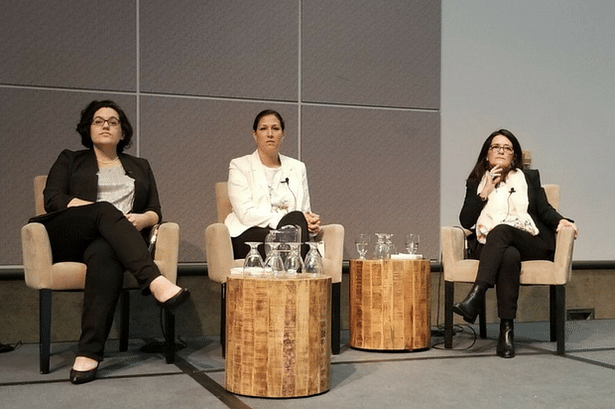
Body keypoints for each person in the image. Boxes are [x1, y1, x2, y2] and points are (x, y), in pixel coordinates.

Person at [31, 100, 190, 384]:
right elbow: (52, 199)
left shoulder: (140, 166)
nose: (106, 125)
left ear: (123, 132)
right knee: (105, 210)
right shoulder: (70, 159)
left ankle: (89, 353)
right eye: (98, 120)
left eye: (113, 121)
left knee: (105, 253)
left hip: (114, 241)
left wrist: (142, 220)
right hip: (71, 234)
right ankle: (154, 281)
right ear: (88, 129)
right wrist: (96, 212)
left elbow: (155, 210)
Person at [453, 129, 577, 358]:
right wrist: (485, 192)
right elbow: (466, 221)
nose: (501, 150)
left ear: (514, 156)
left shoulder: (528, 178)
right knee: (508, 256)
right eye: (495, 147)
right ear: (487, 155)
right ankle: (506, 332)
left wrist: (561, 221)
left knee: (502, 232)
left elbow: (543, 209)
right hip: (490, 245)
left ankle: (476, 295)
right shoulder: (476, 182)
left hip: (528, 239)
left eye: (507, 148)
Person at [225, 109, 321, 259]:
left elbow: (304, 212)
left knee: (295, 226)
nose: (270, 134)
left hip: (293, 235)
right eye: (263, 129)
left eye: (275, 128)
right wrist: (285, 222)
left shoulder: (298, 167)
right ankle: (298, 272)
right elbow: (246, 214)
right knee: (294, 228)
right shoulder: (239, 165)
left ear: (283, 134)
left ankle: (294, 270)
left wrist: (311, 224)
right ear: (255, 135)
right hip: (251, 234)